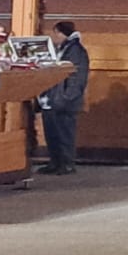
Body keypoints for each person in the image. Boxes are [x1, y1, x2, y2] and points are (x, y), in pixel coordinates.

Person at [36, 20, 90, 175]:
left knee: (65, 133)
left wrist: (67, 96)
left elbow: (77, 77)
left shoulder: (75, 50)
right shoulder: (64, 48)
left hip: (64, 100)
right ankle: (56, 162)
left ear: (62, 33)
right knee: (53, 132)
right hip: (54, 98)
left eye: (56, 33)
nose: (54, 37)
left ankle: (66, 163)